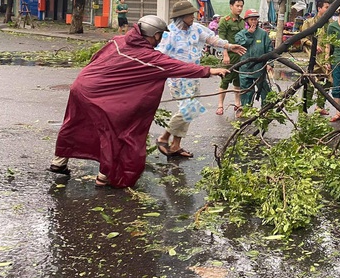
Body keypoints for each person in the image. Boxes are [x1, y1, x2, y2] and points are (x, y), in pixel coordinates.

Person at [48, 16, 228, 188]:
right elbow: (176, 66)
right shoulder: (149, 57)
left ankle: (59, 163)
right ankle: (105, 177)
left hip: (80, 86)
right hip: (98, 94)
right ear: (154, 34)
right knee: (115, 132)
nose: (160, 40)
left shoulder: (117, 41)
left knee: (74, 125)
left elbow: (96, 57)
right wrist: (209, 70)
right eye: (160, 36)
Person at [156, 0, 246, 158]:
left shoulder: (196, 29)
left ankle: (176, 144)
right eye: (190, 15)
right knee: (188, 108)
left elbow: (212, 39)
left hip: (194, 75)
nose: (193, 17)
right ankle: (163, 137)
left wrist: (229, 46)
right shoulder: (169, 34)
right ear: (181, 16)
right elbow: (159, 56)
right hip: (178, 78)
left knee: (191, 110)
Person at [235, 9, 274, 109]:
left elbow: (270, 49)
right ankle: (246, 109)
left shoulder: (263, 34)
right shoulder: (240, 34)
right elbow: (241, 44)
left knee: (264, 89)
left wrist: (270, 63)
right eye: (251, 19)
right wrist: (249, 34)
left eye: (255, 19)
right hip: (245, 68)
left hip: (259, 68)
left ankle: (266, 110)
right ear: (247, 21)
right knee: (246, 91)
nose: (254, 22)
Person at [301, 0, 331, 115]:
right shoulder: (309, 22)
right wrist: (313, 45)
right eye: (326, 7)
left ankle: (320, 106)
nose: (328, 10)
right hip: (314, 58)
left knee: (327, 82)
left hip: (327, 58)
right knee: (310, 83)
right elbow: (303, 39)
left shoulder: (330, 24)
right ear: (319, 8)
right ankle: (305, 107)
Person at [217, 0, 245, 116]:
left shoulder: (243, 21)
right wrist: (225, 54)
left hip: (241, 56)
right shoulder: (225, 20)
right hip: (230, 54)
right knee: (225, 80)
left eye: (241, 6)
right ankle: (220, 105)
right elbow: (221, 39)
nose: (240, 8)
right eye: (237, 6)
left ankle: (237, 104)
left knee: (238, 81)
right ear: (231, 6)